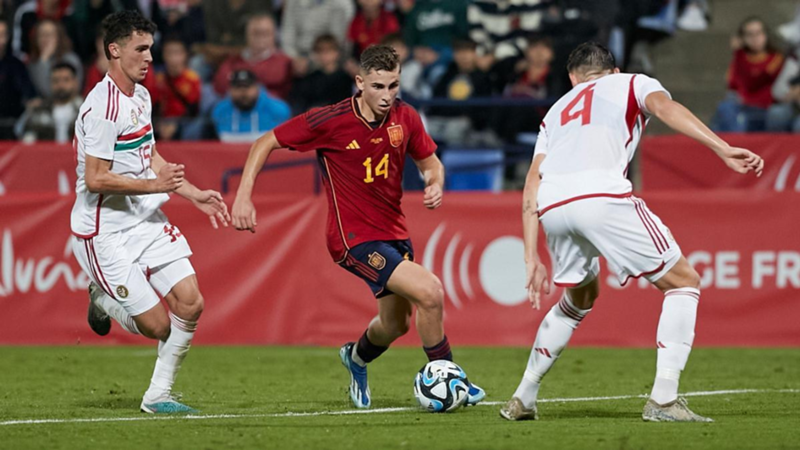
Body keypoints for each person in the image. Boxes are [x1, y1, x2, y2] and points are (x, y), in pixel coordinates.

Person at [500, 42, 764, 422]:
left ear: (573, 78)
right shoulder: (631, 82)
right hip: (600, 195)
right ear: (613, 70)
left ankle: (523, 397)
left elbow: (530, 183)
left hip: (553, 206)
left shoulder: (557, 110)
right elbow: (665, 108)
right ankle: (664, 400)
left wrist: (530, 256)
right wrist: (720, 147)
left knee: (579, 296)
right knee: (682, 282)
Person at [231, 44, 485, 409]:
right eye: (378, 86)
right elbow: (264, 142)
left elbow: (430, 162)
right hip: (352, 239)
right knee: (430, 291)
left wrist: (434, 182)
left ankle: (357, 358)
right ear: (359, 82)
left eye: (393, 86)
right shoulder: (330, 120)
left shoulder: (406, 117)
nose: (387, 96)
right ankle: (449, 376)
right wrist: (243, 196)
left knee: (395, 324)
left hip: (395, 233)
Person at [70, 11, 230, 414]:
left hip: (146, 219)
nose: (148, 58)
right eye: (140, 49)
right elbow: (95, 179)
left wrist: (192, 194)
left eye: (150, 50)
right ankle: (102, 298)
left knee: (191, 303)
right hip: (104, 231)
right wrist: (154, 187)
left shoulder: (140, 95)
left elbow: (151, 156)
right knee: (157, 326)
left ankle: (158, 395)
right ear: (115, 50)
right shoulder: (101, 108)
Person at [713, 17, 783, 132]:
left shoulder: (776, 57)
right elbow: (731, 83)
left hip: (765, 108)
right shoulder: (741, 57)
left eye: (758, 33)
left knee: (731, 113)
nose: (755, 39)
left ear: (766, 35)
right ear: (743, 38)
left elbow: (756, 80)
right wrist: (737, 55)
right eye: (749, 35)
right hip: (742, 106)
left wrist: (737, 54)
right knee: (724, 109)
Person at [212, 14, 293, 100]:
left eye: (265, 33)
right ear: (247, 34)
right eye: (256, 33)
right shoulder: (233, 60)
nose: (260, 38)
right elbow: (220, 85)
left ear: (274, 35)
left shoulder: (283, 61)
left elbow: (277, 79)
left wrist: (240, 82)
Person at [211, 68, 291, 143]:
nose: (243, 92)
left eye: (247, 86)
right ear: (230, 90)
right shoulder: (219, 111)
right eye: (238, 87)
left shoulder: (278, 110)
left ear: (258, 88)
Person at [16, 61, 83, 143]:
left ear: (75, 82)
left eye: (66, 80)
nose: (60, 85)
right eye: (56, 80)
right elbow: (27, 138)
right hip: (46, 155)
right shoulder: (38, 111)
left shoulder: (86, 111)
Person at [290, 34, 353, 114]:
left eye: (328, 51)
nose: (324, 55)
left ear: (337, 53)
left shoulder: (345, 78)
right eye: (320, 51)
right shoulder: (310, 79)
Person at [155, 37, 201, 141]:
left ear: (185, 55)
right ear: (164, 55)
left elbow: (193, 111)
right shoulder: (158, 79)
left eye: (177, 53)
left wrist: (177, 125)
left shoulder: (192, 79)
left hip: (184, 122)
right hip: (162, 121)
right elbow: (154, 106)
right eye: (169, 53)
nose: (173, 58)